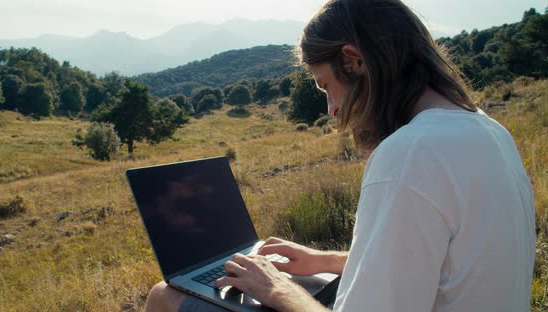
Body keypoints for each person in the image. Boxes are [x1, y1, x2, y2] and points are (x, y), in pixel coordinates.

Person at [146, 0, 536, 311]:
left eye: (326, 85)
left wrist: (275, 288)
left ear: (354, 60)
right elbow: (441, 264)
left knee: (164, 295)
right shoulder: (486, 130)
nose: (332, 109)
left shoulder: (408, 155)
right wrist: (324, 260)